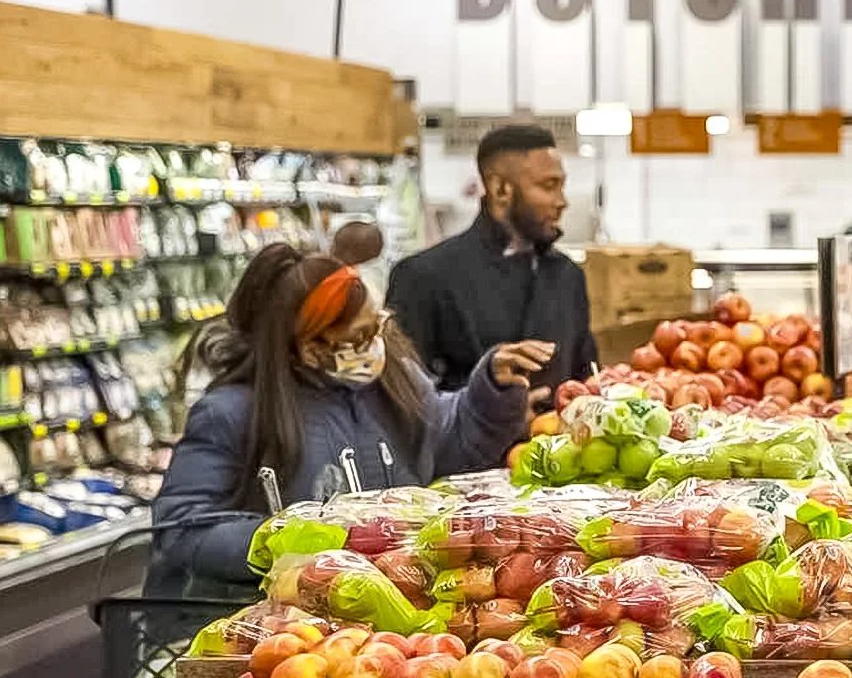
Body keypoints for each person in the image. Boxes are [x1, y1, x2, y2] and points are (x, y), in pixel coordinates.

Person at [147, 243, 551, 598]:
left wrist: (491, 391)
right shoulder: (233, 413)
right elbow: (183, 528)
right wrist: (286, 540)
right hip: (279, 622)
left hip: (382, 610)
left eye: (378, 326)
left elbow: (449, 444)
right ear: (307, 347)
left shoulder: (394, 382)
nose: (375, 345)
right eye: (358, 338)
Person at [386, 124, 594, 390]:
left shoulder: (568, 277)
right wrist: (490, 417)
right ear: (500, 189)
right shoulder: (423, 278)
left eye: (562, 186)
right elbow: (403, 398)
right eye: (548, 186)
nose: (562, 201)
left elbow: (587, 376)